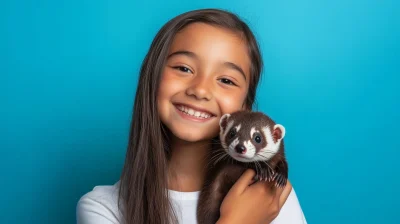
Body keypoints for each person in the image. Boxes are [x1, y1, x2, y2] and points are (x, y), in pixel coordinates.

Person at [76, 8, 307, 224]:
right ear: (153, 77)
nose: (200, 90)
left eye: (226, 80)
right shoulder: (103, 208)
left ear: (244, 108)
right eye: (184, 68)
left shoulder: (268, 197)